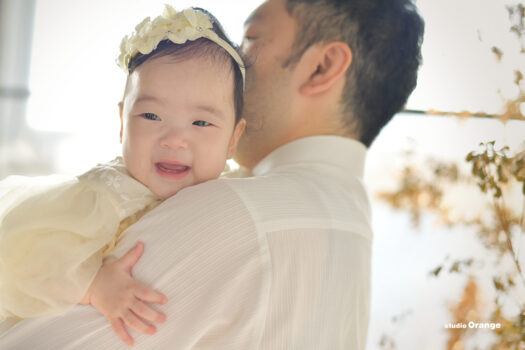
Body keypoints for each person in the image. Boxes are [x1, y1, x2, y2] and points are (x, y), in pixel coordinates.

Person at [0, 0, 424, 349]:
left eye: (252, 41)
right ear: (123, 119)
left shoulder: (234, 213)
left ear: (322, 66)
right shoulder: (351, 228)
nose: (234, 59)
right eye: (151, 114)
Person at [0, 5, 245, 347]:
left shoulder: (236, 193)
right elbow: (19, 260)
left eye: (201, 122)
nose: (173, 139)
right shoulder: (107, 195)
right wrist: (93, 286)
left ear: (234, 138)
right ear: (121, 121)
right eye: (150, 115)